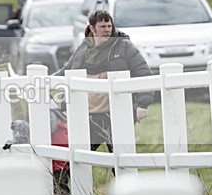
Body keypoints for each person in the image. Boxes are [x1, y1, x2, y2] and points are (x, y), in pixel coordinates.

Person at [54, 8, 153, 154]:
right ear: (92, 28)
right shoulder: (83, 49)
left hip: (116, 115)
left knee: (121, 160)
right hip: (88, 117)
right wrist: (45, 82)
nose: (107, 30)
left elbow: (144, 73)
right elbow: (65, 71)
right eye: (102, 27)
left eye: (109, 26)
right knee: (77, 158)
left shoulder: (124, 46)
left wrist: (143, 103)